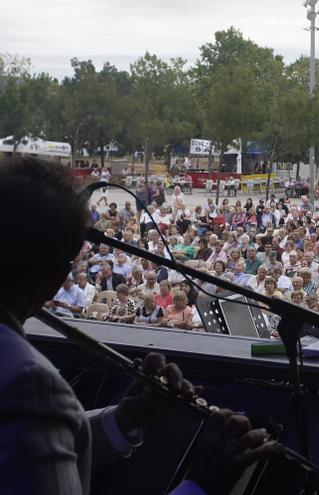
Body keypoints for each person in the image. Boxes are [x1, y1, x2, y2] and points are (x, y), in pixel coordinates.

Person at [0, 156, 275, 495]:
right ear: (57, 279)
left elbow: (34, 447)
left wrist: (122, 420)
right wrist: (201, 484)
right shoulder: (27, 383)